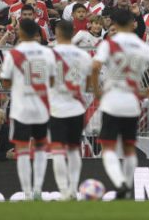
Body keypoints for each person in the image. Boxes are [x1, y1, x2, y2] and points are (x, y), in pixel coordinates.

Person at [91, 8, 149, 198]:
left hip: (111, 100)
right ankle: (126, 189)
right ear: (133, 23)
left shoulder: (109, 44)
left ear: (114, 24)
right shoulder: (141, 45)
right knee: (128, 147)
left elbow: (94, 67)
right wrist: (148, 91)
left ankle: (120, 183)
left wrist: (97, 91)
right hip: (132, 102)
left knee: (108, 147)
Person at [0, 18, 56, 201]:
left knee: (22, 150)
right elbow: (53, 80)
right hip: (41, 107)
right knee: (40, 148)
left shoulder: (14, 54)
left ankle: (27, 193)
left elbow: (5, 82)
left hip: (21, 108)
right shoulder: (47, 53)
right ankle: (38, 188)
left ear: (22, 32)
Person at [50, 20, 93, 201]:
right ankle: (74, 190)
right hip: (77, 107)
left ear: (58, 32)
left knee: (58, 150)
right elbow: (90, 83)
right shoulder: (84, 56)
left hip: (57, 108)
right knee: (74, 150)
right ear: (73, 31)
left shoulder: (49, 54)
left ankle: (63, 191)